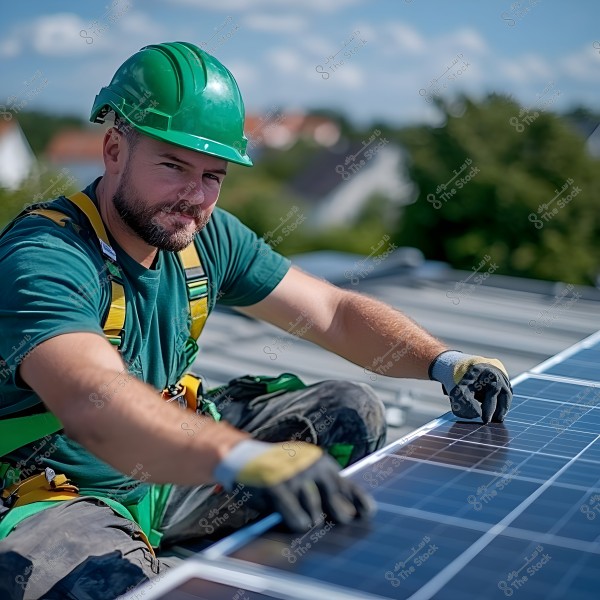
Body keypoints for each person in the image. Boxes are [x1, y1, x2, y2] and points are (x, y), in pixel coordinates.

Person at [0, 42, 512, 599]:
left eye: (213, 176)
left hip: (166, 478)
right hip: (56, 496)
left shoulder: (203, 236)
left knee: (347, 414)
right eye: (173, 166)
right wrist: (241, 457)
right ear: (114, 148)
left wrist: (444, 362)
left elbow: (333, 312)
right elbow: (93, 399)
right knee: (105, 582)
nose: (194, 197)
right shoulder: (46, 257)